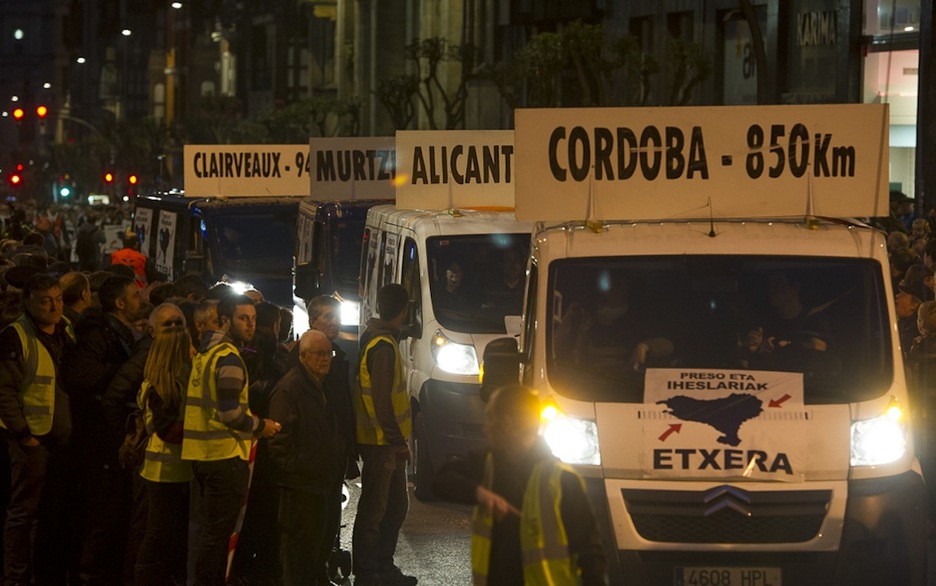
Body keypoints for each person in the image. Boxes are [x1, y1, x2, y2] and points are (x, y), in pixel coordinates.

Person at [433, 385, 607, 586]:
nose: (485, 427)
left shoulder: (563, 481)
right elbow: (440, 481)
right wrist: (479, 493)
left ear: (507, 424)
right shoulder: (489, 463)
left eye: (490, 417)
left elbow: (591, 557)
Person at [182, 293, 280, 586]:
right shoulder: (230, 358)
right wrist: (262, 425)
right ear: (225, 321)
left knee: (209, 533)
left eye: (252, 319)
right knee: (217, 535)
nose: (250, 325)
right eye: (242, 318)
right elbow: (230, 414)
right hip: (223, 458)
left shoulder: (206, 354)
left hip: (203, 456)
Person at [62, 274, 145, 585]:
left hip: (109, 436)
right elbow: (82, 374)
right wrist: (125, 373)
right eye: (135, 296)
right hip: (98, 437)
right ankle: (89, 573)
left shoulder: (120, 333)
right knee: (104, 511)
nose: (142, 301)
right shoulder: (99, 334)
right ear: (119, 303)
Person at [0, 273, 73, 586]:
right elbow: (4, 390)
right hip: (30, 441)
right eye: (46, 300)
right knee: (22, 513)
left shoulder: (66, 330)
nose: (55, 306)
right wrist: (23, 434)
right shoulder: (15, 336)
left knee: (47, 515)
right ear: (28, 300)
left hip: (56, 440)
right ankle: (16, 577)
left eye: (58, 299)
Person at [268, 330, 344, 586]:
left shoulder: (318, 386)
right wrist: (299, 468)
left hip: (317, 483)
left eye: (328, 353)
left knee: (313, 551)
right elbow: (278, 440)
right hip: (300, 487)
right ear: (303, 357)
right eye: (319, 354)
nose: (325, 359)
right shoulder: (290, 389)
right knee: (297, 555)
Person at [352, 284, 416, 586]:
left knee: (392, 507)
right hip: (381, 444)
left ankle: (380, 567)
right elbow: (382, 401)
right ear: (403, 311)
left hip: (382, 442)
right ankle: (369, 572)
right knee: (376, 511)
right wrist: (397, 442)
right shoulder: (384, 347)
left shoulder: (378, 339)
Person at [134, 315, 194, 586]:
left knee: (163, 537)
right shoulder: (165, 388)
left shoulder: (158, 383)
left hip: (169, 470)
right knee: (158, 537)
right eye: (189, 347)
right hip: (166, 471)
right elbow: (167, 432)